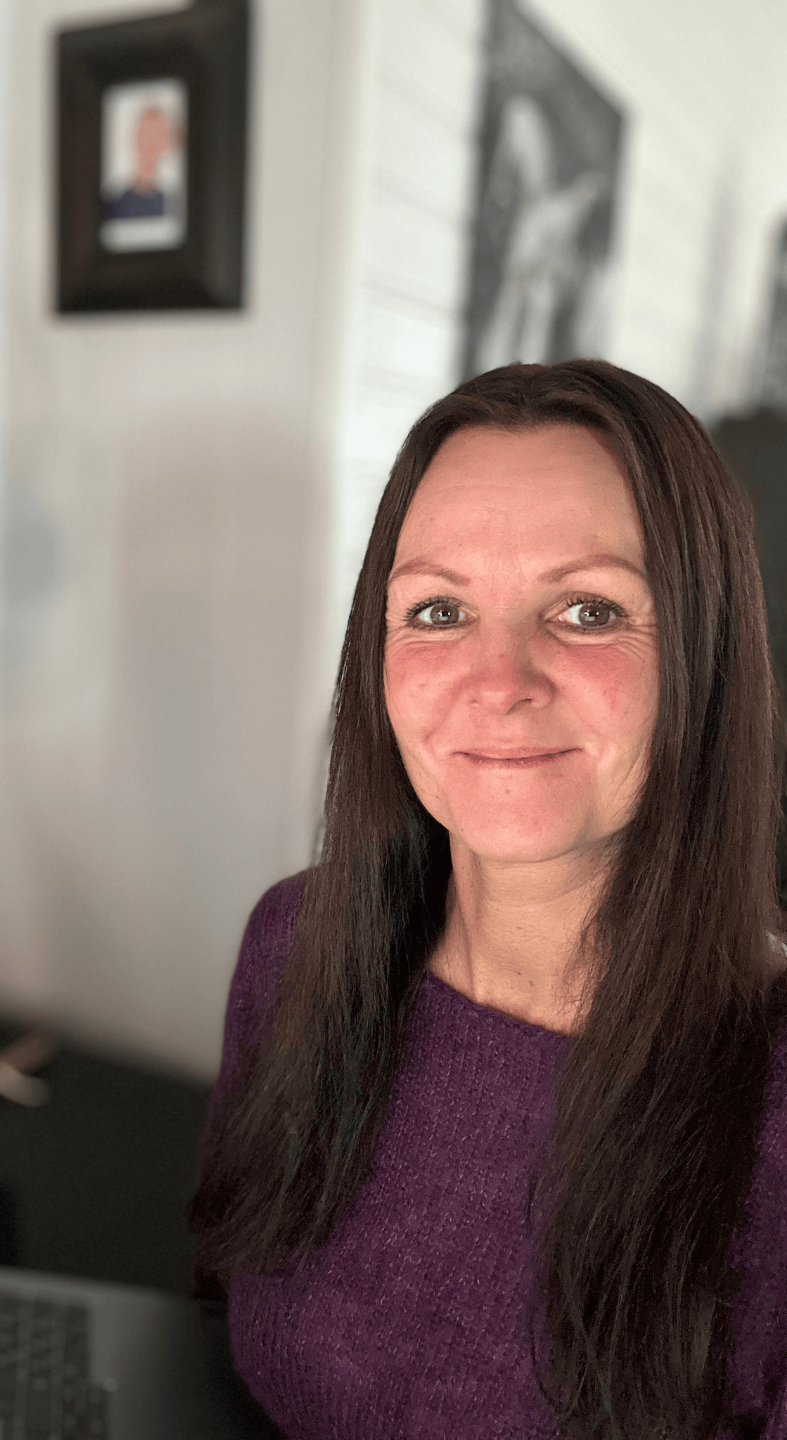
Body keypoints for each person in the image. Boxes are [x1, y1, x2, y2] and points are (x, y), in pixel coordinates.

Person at [188, 360, 787, 1440]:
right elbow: (215, 1323)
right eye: (439, 609)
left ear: (704, 658)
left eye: (589, 610)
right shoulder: (296, 945)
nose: (500, 679)